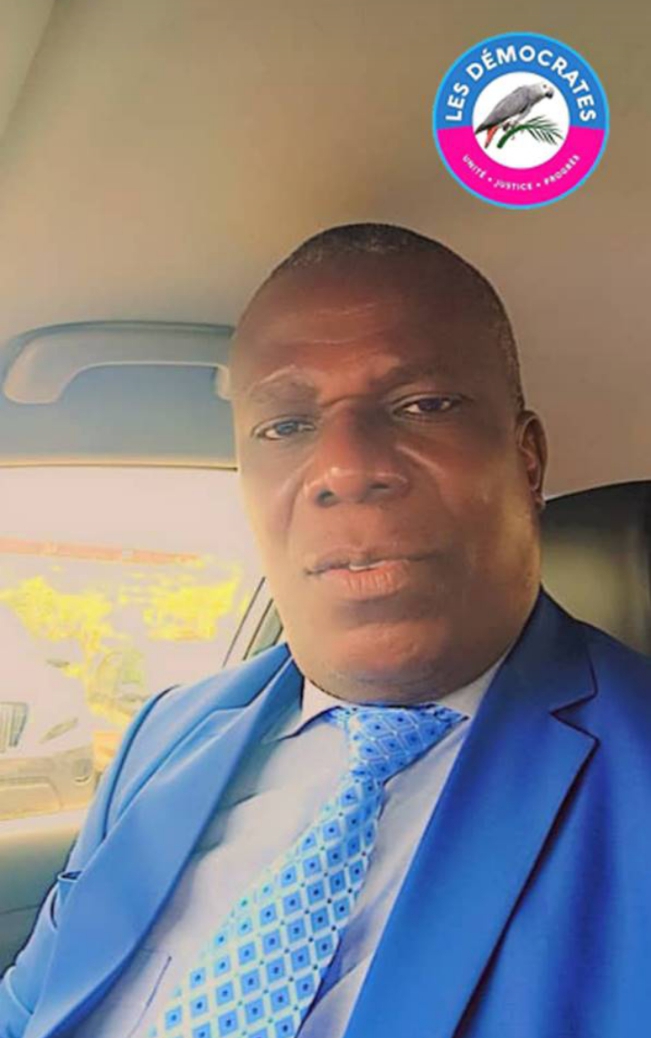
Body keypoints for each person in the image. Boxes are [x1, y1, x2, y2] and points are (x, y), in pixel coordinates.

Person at [1, 223, 650, 1038]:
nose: (345, 468)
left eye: (422, 405)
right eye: (284, 427)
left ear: (526, 461)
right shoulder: (167, 735)